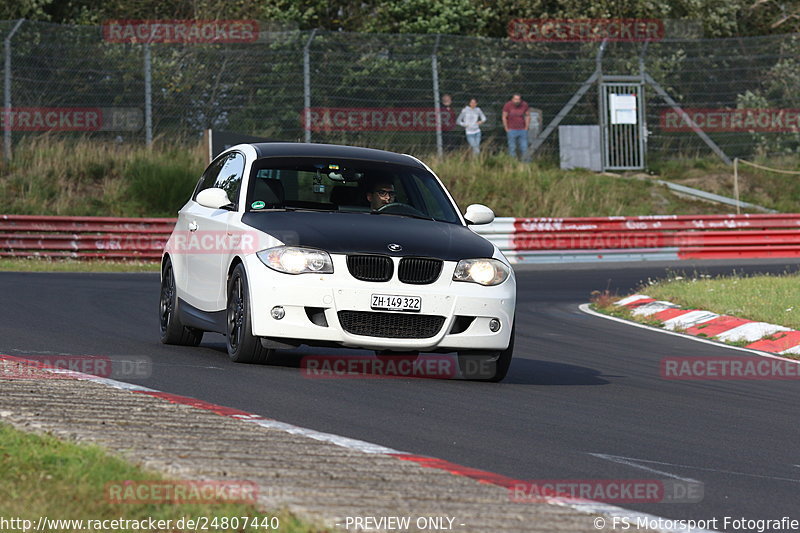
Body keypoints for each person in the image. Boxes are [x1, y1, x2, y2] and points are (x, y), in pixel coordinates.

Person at [502, 93, 531, 161]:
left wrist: (526, 127)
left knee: (524, 147)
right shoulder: (508, 105)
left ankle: (526, 164)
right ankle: (513, 163)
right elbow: (504, 116)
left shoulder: (524, 105)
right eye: (515, 99)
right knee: (512, 148)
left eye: (518, 99)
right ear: (512, 99)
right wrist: (506, 128)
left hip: (522, 130)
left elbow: (527, 115)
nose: (517, 101)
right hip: (511, 129)